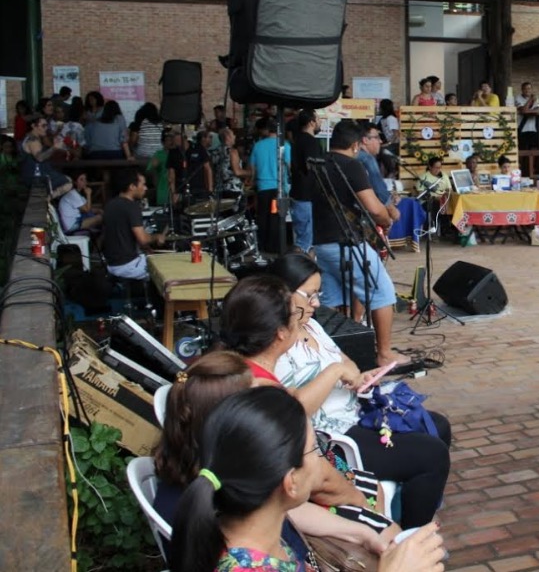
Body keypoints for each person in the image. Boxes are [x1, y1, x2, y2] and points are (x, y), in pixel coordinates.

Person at [271, 253, 453, 529]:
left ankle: (413, 505)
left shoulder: (311, 324)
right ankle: (411, 537)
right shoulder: (278, 341)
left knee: (438, 426)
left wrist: (358, 377)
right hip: (332, 436)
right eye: (309, 296)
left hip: (356, 411)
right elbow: (294, 409)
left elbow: (345, 361)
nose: (316, 303)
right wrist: (333, 373)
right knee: (432, 455)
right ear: (283, 293)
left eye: (318, 294)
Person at [167, 386, 393, 572]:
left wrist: (363, 534)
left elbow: (297, 513)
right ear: (290, 482)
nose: (320, 458)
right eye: (313, 449)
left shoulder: (244, 516)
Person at [312, 121, 409, 367]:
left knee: (333, 298)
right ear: (356, 144)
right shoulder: (351, 165)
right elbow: (374, 209)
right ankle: (384, 353)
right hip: (346, 241)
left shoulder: (318, 162)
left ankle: (333, 355)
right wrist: (387, 218)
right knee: (383, 293)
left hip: (322, 241)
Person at [103, 168, 166, 279]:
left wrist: (146, 248)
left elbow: (123, 235)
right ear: (132, 187)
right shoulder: (132, 207)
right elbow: (143, 239)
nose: (145, 188)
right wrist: (157, 237)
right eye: (143, 184)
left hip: (111, 264)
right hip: (128, 265)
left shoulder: (110, 204)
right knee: (168, 268)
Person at [249, 120, 291, 254]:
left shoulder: (258, 146)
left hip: (262, 188)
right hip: (279, 188)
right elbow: (290, 167)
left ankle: (262, 246)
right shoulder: (284, 145)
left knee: (262, 217)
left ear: (268, 130)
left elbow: (252, 170)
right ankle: (275, 248)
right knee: (277, 218)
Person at [289, 109, 323, 254]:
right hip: (306, 196)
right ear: (311, 122)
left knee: (305, 238)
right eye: (318, 119)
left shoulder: (298, 140)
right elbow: (313, 168)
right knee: (305, 241)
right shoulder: (310, 142)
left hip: (299, 193)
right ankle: (300, 271)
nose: (320, 122)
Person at [19, 113, 73, 197]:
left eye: (46, 125)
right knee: (68, 183)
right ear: (33, 126)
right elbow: (40, 158)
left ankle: (47, 199)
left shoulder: (31, 137)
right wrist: (54, 148)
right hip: (36, 178)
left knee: (68, 180)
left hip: (36, 176)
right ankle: (47, 199)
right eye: (43, 126)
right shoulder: (33, 141)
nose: (46, 128)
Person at [357, 123, 400, 224]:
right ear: (365, 140)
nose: (380, 141)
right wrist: (393, 212)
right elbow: (379, 191)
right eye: (376, 137)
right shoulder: (367, 159)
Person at [147, 130, 178, 208]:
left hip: (178, 190)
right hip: (164, 190)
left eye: (172, 139)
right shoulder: (159, 154)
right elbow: (149, 170)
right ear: (163, 142)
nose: (171, 142)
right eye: (168, 140)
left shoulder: (180, 153)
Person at [514, 82, 539, 153]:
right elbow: (523, 110)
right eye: (525, 89)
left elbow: (538, 111)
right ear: (522, 90)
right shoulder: (518, 98)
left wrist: (527, 111)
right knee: (522, 150)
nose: (527, 90)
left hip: (533, 129)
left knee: (533, 150)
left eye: (529, 88)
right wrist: (530, 100)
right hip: (522, 128)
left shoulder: (535, 98)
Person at [377, 99, 400, 177]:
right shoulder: (383, 119)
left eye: (380, 107)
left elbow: (396, 134)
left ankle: (392, 171)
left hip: (394, 144)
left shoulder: (391, 118)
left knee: (383, 151)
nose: (379, 109)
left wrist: (388, 143)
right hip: (388, 143)